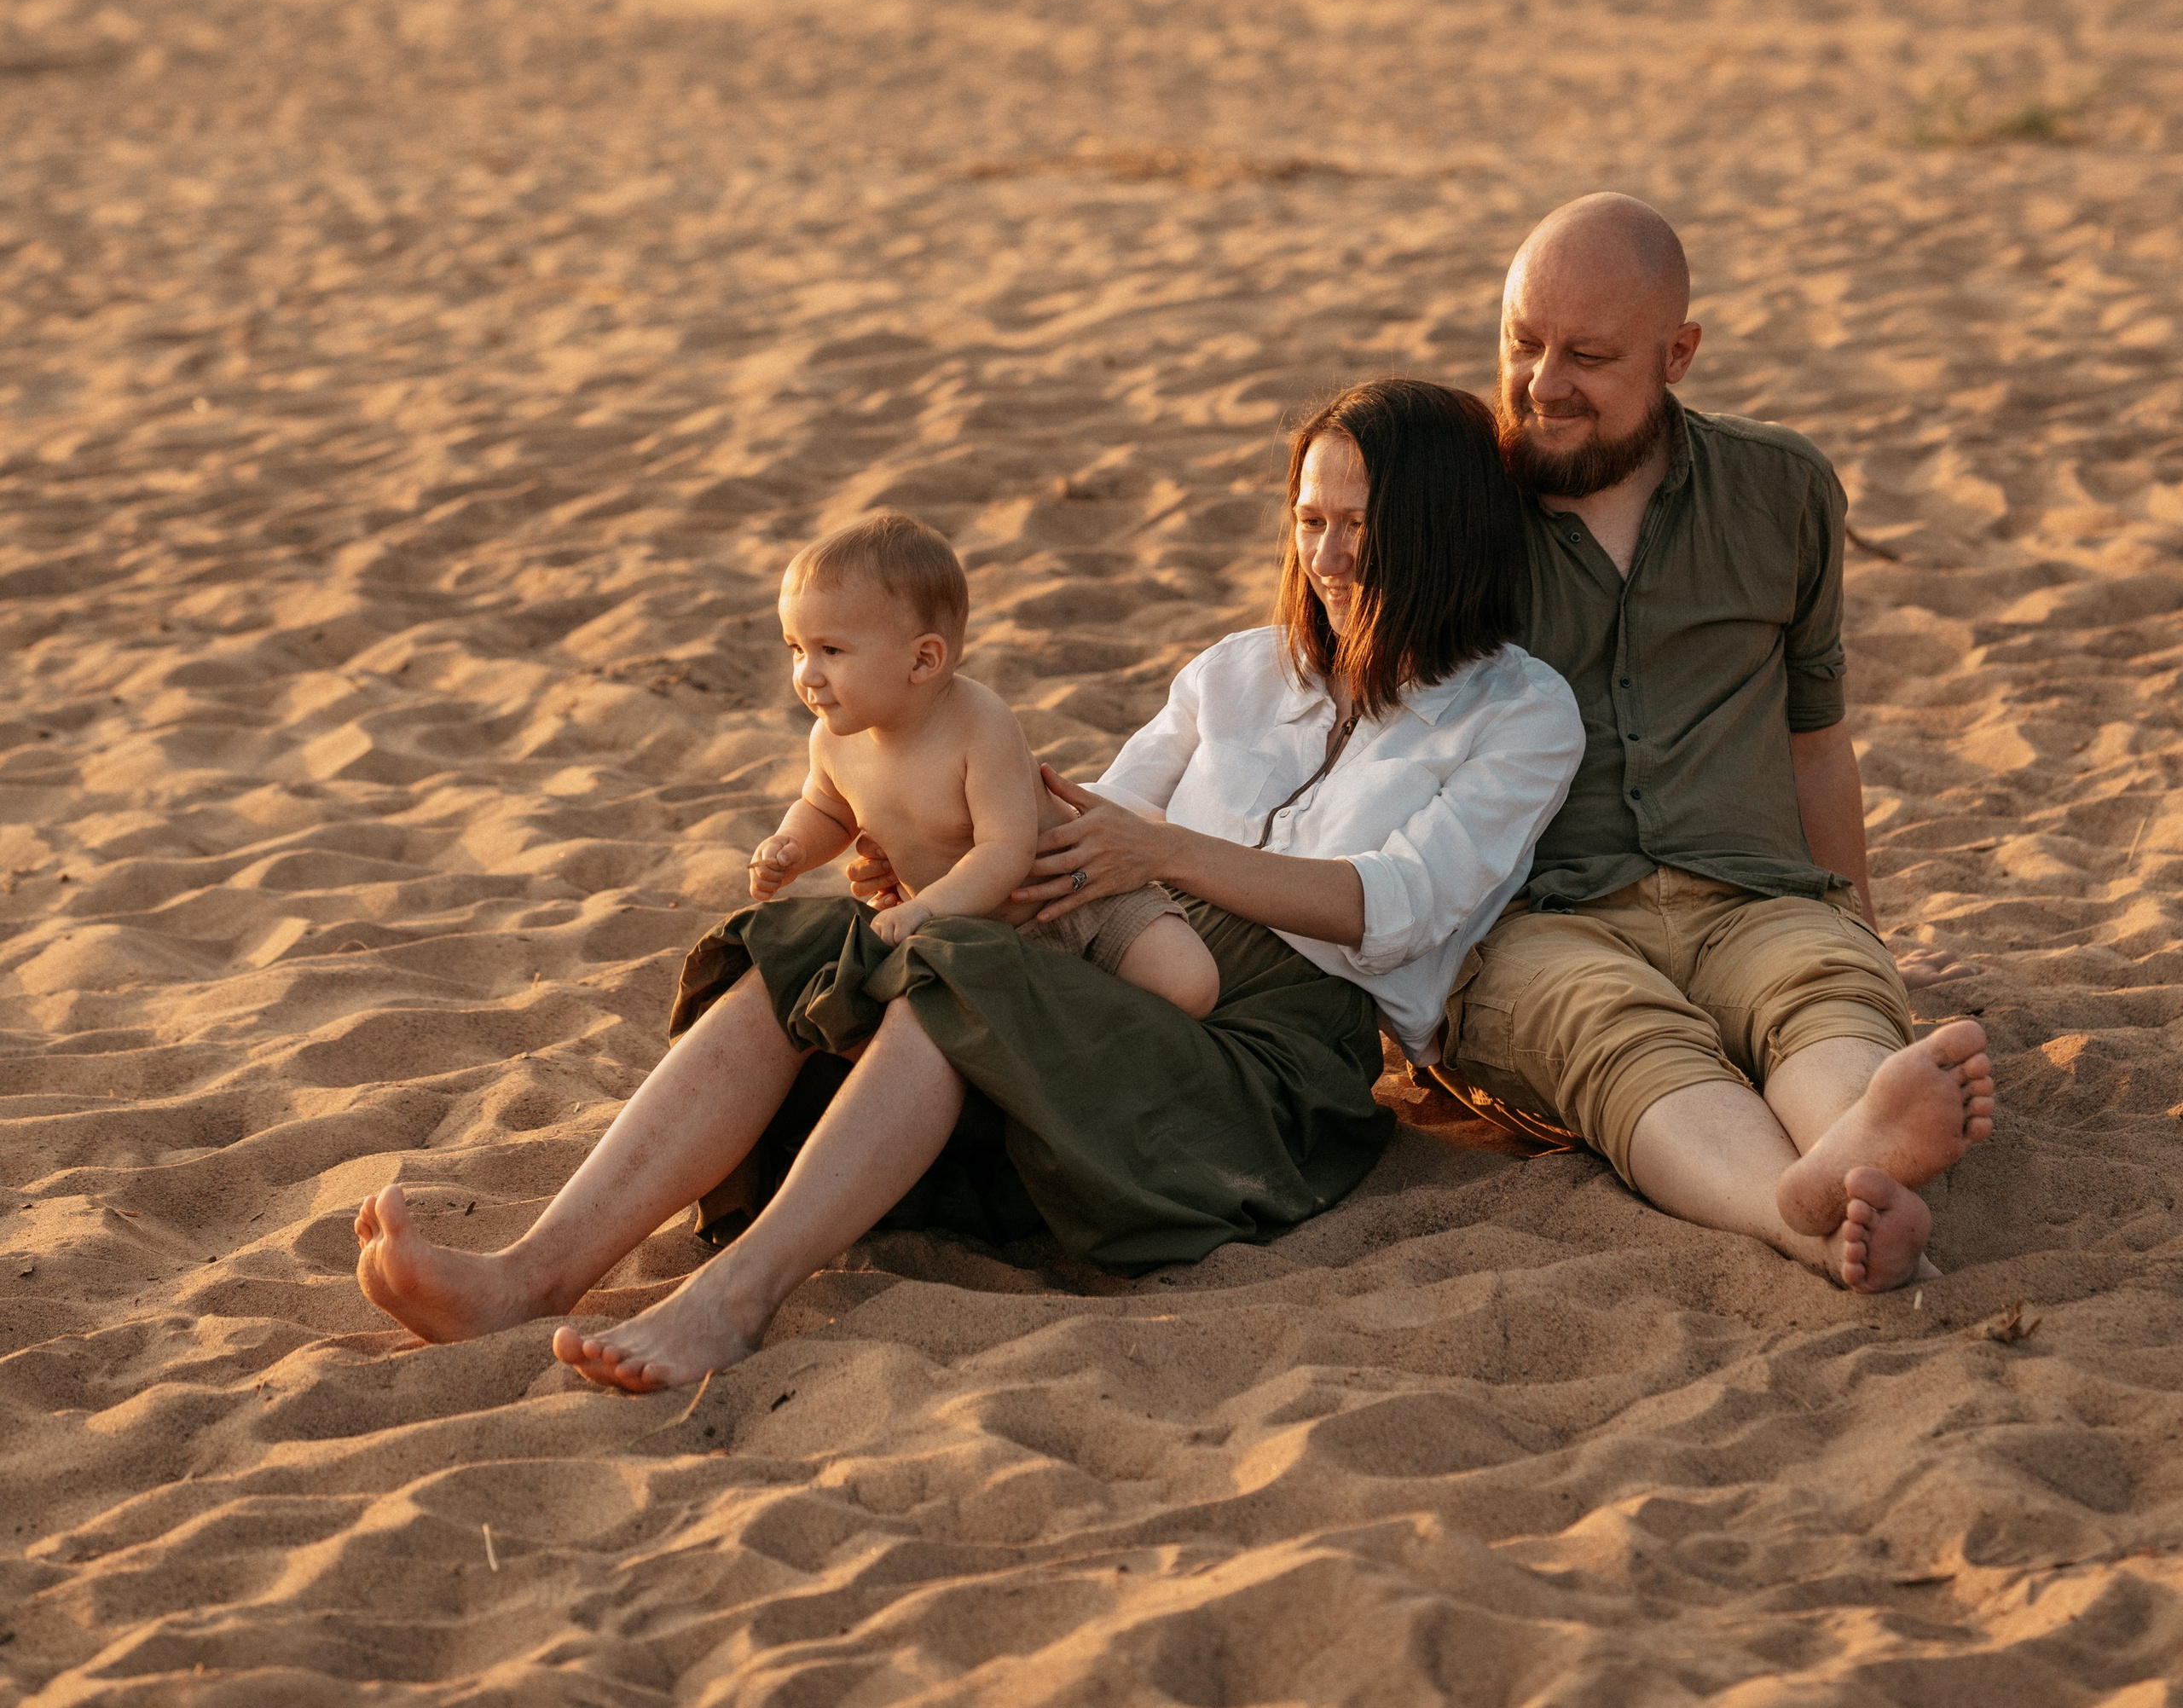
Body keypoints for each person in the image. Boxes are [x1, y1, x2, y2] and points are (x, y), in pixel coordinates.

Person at [351, 377, 1583, 1391]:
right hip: (1114, 957)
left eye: (1359, 523)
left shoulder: (1520, 709)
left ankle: (733, 1301)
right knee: (807, 936)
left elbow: (1406, 902)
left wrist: (1161, 856)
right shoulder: (1240, 670)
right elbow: (1095, 812)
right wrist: (940, 848)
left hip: (1271, 1058)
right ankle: (533, 1270)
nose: (1325, 552)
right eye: (1309, 518)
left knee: (963, 967)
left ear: (1442, 527)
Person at [1434, 191, 1995, 1293]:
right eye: (1522, 341)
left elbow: (1815, 740)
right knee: (1613, 1030)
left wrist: (1867, 931)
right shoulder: (1449, 511)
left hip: (1754, 892)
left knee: (1826, 989)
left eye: (1589, 355)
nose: (1544, 382)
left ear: (1678, 352)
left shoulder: (1781, 490)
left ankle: (1854, 1146)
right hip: (1545, 916)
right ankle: (1802, 1213)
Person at [749, 510, 1220, 1014]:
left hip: (1076, 904)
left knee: (1188, 985)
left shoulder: (979, 725)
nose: (807, 675)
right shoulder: (832, 740)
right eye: (796, 649)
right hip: (967, 934)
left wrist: (927, 905)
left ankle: (1095, 1016)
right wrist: (792, 846)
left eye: (831, 650)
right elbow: (824, 810)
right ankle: (1061, 1012)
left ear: (923, 660)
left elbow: (1005, 849)